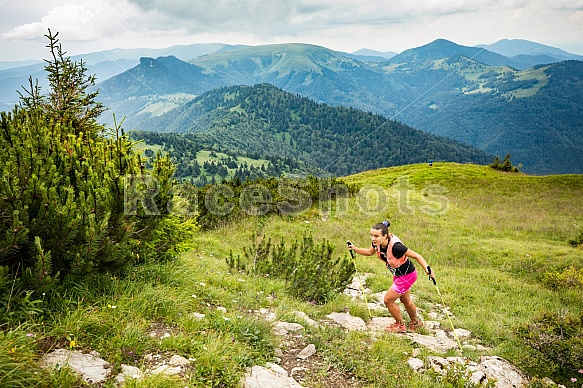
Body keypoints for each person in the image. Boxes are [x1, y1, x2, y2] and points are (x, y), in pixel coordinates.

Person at [347, 220, 434, 333]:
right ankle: (416, 323)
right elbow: (369, 252)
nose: (373, 238)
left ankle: (400, 325)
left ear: (385, 236)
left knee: (388, 300)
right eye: (372, 235)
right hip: (399, 275)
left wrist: (427, 269)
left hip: (407, 276)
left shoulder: (397, 247)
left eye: (376, 236)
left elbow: (417, 256)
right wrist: (354, 248)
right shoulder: (377, 244)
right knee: (405, 300)